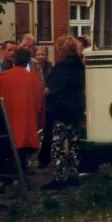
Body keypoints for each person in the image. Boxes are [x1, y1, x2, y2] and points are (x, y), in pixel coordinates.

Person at [0, 48, 44, 174]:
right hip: (27, 127)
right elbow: (39, 105)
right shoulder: (34, 80)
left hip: (7, 125)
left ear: (14, 60)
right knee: (22, 154)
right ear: (27, 62)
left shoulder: (2, 78)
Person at [43, 36, 85, 190]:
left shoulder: (61, 67)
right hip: (76, 109)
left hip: (62, 109)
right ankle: (74, 175)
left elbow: (51, 89)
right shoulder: (79, 65)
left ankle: (59, 177)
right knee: (74, 144)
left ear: (61, 49)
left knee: (58, 145)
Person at [35, 45, 55, 169]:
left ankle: (44, 158)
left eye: (43, 54)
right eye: (38, 54)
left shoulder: (50, 68)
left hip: (47, 102)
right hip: (36, 100)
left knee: (48, 131)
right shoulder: (32, 68)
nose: (41, 57)